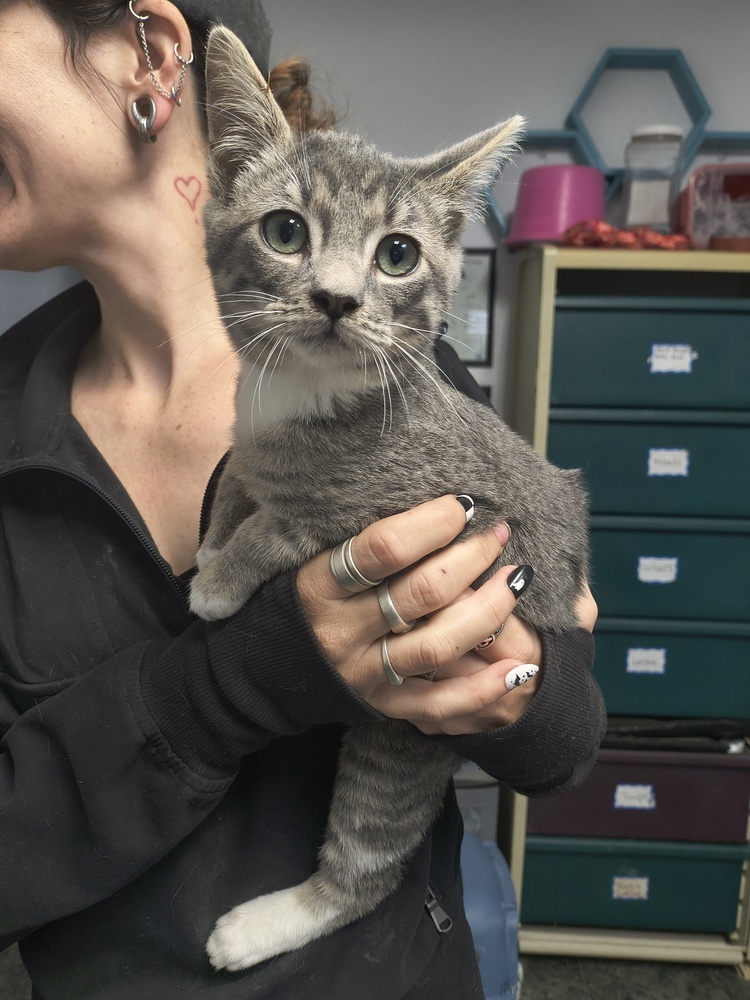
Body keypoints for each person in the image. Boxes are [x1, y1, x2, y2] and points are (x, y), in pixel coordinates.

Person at [0, 1, 606, 997]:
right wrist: (242, 676)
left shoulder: (409, 380)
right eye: (289, 235)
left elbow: (564, 737)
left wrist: (525, 679)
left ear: (148, 57)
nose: (335, 288)